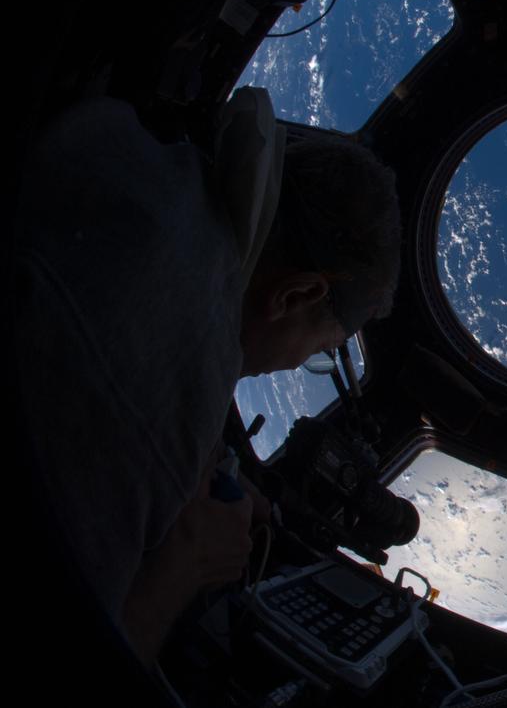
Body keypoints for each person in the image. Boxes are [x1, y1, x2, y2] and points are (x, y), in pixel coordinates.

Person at [13, 88, 401, 665]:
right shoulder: (174, 402)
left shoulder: (113, 134)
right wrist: (188, 560)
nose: (298, 362)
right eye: (322, 348)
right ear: (296, 294)